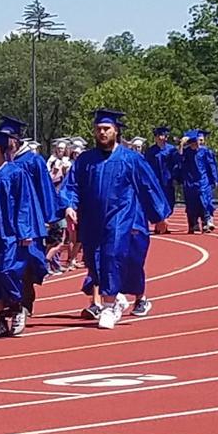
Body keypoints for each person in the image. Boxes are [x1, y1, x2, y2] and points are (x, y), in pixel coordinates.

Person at [61, 109, 171, 330]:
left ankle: (109, 306)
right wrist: (69, 205)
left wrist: (159, 216)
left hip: (121, 216)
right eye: (99, 129)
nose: (102, 133)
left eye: (106, 129)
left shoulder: (131, 159)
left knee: (112, 254)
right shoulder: (85, 160)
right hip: (92, 218)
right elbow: (71, 185)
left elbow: (148, 186)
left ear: (116, 131)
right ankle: (116, 294)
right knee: (93, 261)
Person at [0, 117, 59, 325]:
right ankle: (11, 303)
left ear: (17, 138)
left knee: (28, 264)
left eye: (9, 138)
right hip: (7, 222)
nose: (7, 142)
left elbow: (45, 190)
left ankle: (25, 303)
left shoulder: (33, 161)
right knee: (8, 264)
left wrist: (49, 220)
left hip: (31, 221)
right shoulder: (3, 161)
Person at [0, 130, 42, 336]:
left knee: (7, 271)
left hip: (9, 234)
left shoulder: (15, 173)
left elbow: (24, 204)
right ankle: (0, 322)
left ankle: (17, 308)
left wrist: (25, 232)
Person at [178, 131, 217, 234]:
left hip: (203, 180)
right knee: (191, 204)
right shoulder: (186, 152)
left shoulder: (205, 151)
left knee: (204, 201)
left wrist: (214, 179)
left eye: (196, 142)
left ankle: (206, 223)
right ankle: (193, 224)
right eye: (192, 142)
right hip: (190, 182)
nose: (195, 144)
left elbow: (211, 165)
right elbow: (179, 161)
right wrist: (181, 145)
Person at [145, 127, 180, 235]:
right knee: (157, 202)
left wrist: (176, 177)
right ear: (155, 138)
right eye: (158, 136)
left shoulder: (171, 150)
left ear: (166, 137)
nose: (161, 138)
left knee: (169, 202)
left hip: (168, 180)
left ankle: (163, 222)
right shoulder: (151, 151)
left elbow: (177, 163)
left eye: (163, 136)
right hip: (155, 181)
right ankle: (160, 223)